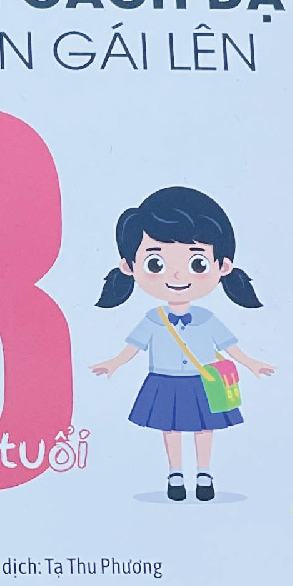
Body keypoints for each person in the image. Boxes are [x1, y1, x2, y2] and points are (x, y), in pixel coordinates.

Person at [91, 185, 274, 503]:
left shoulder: (206, 319)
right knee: (171, 429)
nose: (177, 275)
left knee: (204, 429)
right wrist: (114, 363)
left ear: (223, 266)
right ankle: (175, 473)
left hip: (203, 381)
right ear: (129, 267)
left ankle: (204, 473)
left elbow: (229, 346)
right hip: (164, 381)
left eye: (198, 264)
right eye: (156, 264)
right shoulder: (153, 319)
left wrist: (252, 363)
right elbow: (134, 347)